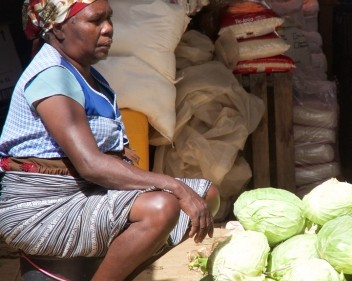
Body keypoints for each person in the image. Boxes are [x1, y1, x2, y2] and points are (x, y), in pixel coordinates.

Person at [0, 0, 220, 280]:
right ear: (58, 28)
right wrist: (174, 186)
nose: (108, 30)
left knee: (205, 195)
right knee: (161, 208)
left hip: (87, 195)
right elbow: (91, 164)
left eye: (109, 19)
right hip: (41, 210)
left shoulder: (89, 77)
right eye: (95, 21)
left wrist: (181, 191)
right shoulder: (52, 75)